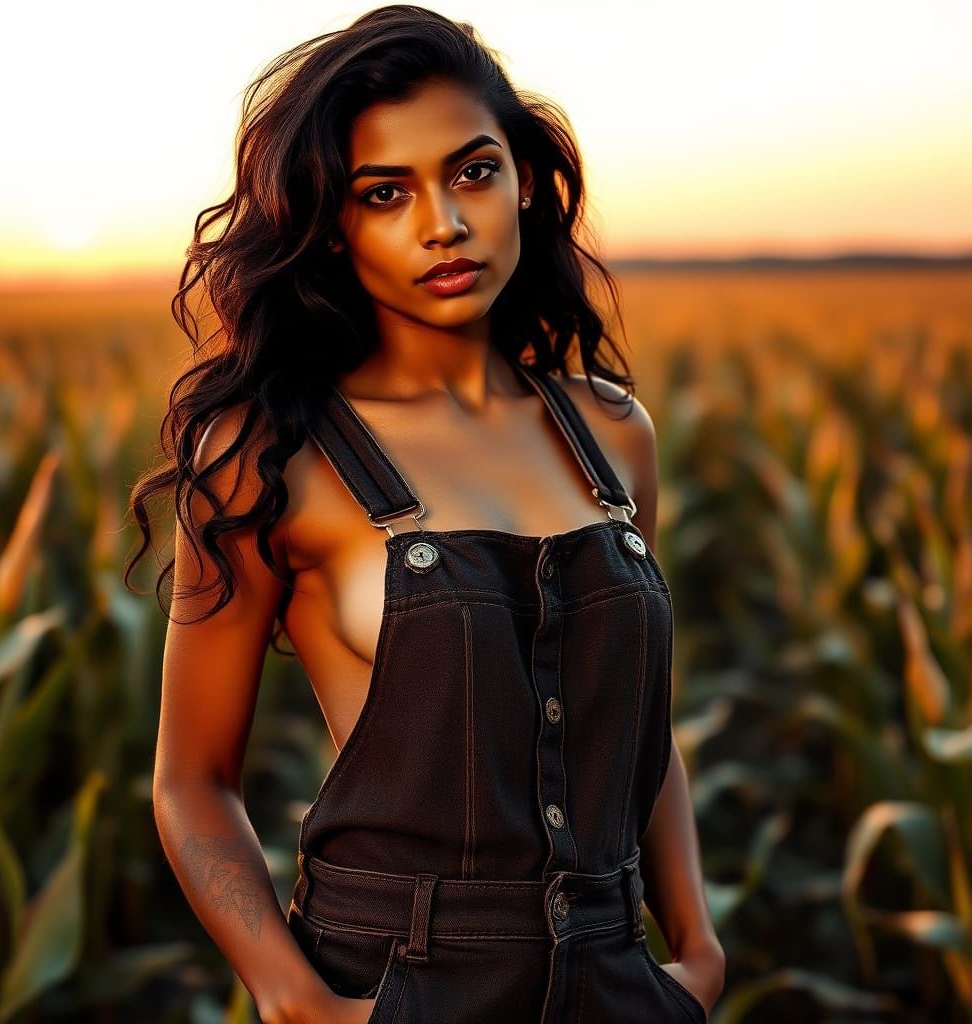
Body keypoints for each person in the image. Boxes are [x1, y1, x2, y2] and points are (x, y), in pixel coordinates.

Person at [127, 5, 725, 1022]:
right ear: (331, 222)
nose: (441, 222)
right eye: (385, 193)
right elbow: (191, 781)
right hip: (393, 987)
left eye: (471, 171)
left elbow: (637, 728)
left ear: (523, 179)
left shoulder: (613, 435)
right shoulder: (271, 458)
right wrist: (294, 1000)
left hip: (618, 981)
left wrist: (698, 952)